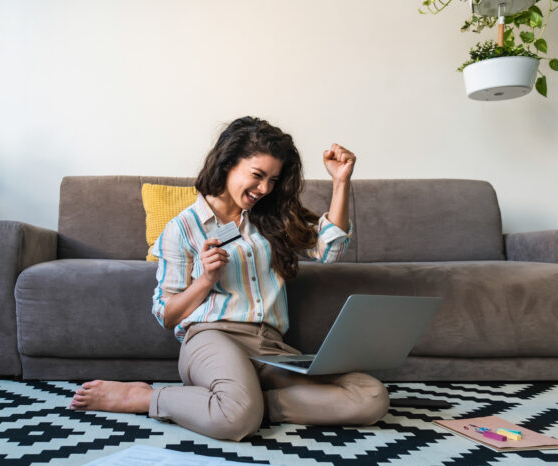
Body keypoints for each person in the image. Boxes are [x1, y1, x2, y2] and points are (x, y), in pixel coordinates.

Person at [70, 116, 389, 441]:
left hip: (269, 346)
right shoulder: (182, 228)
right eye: (257, 175)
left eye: (273, 180)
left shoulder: (271, 218)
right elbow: (166, 314)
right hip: (212, 338)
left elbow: (329, 250)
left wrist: (340, 181)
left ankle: (246, 404)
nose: (264, 188)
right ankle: (146, 397)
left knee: (371, 396)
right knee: (236, 420)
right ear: (227, 163)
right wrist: (204, 280)